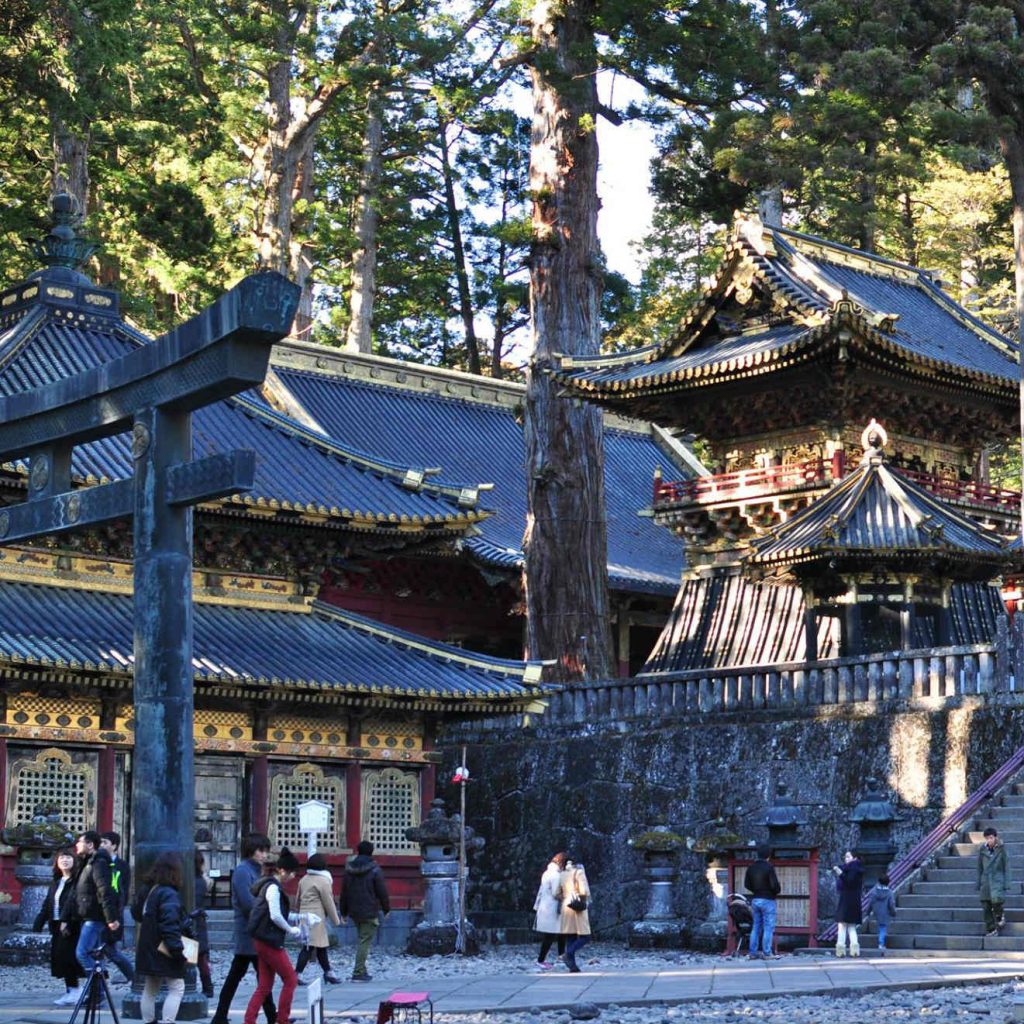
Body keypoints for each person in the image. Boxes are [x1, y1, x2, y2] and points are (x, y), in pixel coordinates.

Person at [209, 832, 276, 1024]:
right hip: (248, 931)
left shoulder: (254, 870)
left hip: (254, 931)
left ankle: (221, 1015)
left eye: (266, 851)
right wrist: (269, 908)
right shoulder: (243, 871)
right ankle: (271, 1016)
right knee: (255, 976)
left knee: (245, 976)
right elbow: (248, 903)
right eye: (261, 851)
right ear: (251, 851)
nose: (264, 855)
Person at [244, 848, 307, 1024]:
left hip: (263, 940)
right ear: (282, 870)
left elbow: (280, 914)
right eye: (292, 872)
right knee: (290, 979)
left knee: (264, 986)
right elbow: (275, 916)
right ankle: (282, 1020)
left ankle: (249, 1019)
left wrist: (302, 917)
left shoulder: (271, 886)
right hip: (269, 941)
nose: (294, 876)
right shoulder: (273, 888)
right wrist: (291, 929)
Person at [131, 852, 189, 1024]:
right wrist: (178, 951)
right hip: (164, 948)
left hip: (147, 946)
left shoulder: (148, 889)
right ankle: (168, 1021)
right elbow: (169, 926)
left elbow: (136, 913)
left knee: (150, 988)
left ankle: (148, 1021)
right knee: (177, 987)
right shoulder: (169, 894)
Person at [61, 830, 121, 977]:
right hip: (86, 915)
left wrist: (111, 918)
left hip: (95, 917)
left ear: (90, 844)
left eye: (80, 842)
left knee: (82, 953)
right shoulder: (85, 863)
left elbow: (104, 891)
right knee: (94, 956)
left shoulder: (98, 863)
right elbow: (74, 893)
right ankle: (97, 995)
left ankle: (97, 989)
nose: (77, 845)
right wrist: (65, 918)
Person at [33, 846, 83, 1006]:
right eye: (62, 858)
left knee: (68, 957)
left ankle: (75, 991)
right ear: (57, 862)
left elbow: (74, 903)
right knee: (60, 958)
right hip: (55, 923)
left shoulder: (76, 881)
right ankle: (71, 991)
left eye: (68, 857)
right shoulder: (56, 881)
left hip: (70, 924)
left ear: (74, 861)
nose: (65, 860)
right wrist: (39, 923)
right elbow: (48, 903)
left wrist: (66, 921)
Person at [339, 839, 390, 982]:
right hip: (369, 910)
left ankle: (363, 969)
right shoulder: (374, 870)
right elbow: (382, 892)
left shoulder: (349, 870)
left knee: (362, 937)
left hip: (354, 911)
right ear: (371, 852)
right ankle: (358, 971)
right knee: (364, 941)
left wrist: (343, 911)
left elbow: (344, 892)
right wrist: (386, 909)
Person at [294, 853, 341, 985]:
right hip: (316, 917)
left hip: (304, 915)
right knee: (310, 947)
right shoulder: (324, 881)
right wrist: (336, 920)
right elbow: (328, 902)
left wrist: (298, 914)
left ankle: (328, 972)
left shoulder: (303, 879)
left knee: (318, 946)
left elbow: (297, 899)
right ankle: (296, 974)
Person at [99, 831, 134, 984]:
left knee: (109, 949)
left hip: (113, 911)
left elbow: (123, 890)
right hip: (100, 910)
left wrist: (117, 912)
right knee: (101, 948)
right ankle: (101, 978)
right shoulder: (98, 862)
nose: (101, 845)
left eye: (105, 842)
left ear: (114, 846)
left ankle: (132, 975)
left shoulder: (122, 866)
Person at [743, 843, 782, 960]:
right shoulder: (769, 867)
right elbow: (774, 885)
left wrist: (756, 890)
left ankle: (752, 952)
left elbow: (747, 884)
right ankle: (767, 952)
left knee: (756, 926)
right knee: (768, 927)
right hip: (768, 899)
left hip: (755, 899)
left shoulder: (751, 867)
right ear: (768, 855)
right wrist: (775, 892)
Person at [533, 852, 566, 970]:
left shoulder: (546, 873)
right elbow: (556, 893)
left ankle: (561, 957)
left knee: (560, 933)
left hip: (545, 908)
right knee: (550, 935)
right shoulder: (556, 875)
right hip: (552, 909)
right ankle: (541, 960)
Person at [559, 860, 591, 973]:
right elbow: (584, 890)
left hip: (566, 904)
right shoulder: (579, 872)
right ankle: (567, 954)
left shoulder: (562, 874)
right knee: (585, 936)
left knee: (571, 935)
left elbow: (558, 892)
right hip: (577, 904)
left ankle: (572, 966)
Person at [978, 826, 1009, 937]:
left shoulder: (1001, 849)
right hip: (986, 881)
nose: (989, 840)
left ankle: (1000, 915)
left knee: (996, 901)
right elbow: (979, 868)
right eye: (987, 838)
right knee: (985, 905)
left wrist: (1007, 883)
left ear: (995, 837)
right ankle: (991, 929)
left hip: (997, 880)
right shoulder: (982, 850)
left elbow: (1007, 866)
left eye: (991, 837)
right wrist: (978, 883)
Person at [833, 850, 864, 957]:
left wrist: (840, 873)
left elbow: (849, 881)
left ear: (854, 858)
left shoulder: (853, 869)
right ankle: (854, 948)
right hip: (854, 900)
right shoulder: (857, 868)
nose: (846, 859)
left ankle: (840, 948)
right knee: (851, 926)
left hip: (847, 899)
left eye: (848, 857)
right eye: (845, 857)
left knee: (842, 925)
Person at [194, 851, 214, 998]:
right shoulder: (202, 880)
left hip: (191, 921)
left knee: (193, 956)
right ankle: (208, 987)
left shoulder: (190, 881)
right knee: (201, 958)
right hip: (198, 920)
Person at [867, 873, 897, 955]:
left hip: (876, 911)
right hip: (885, 912)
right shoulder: (889, 892)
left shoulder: (874, 891)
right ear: (888, 882)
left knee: (880, 926)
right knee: (883, 928)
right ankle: (881, 943)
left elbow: (870, 902)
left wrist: (868, 911)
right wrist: (893, 912)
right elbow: (891, 904)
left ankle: (881, 941)